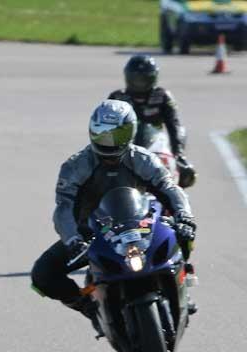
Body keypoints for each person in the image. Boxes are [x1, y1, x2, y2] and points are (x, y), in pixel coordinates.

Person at [31, 100, 196, 323]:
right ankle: (89, 307)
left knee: (182, 232)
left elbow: (170, 188)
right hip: (92, 235)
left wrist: (184, 215)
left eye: (116, 134)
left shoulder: (143, 159)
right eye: (102, 133)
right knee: (43, 274)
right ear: (91, 131)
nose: (108, 142)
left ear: (131, 132)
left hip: (141, 225)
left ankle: (182, 283)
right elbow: (63, 208)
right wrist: (73, 240)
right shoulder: (75, 166)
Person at [108, 54, 197, 187]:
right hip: (123, 148)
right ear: (128, 78)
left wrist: (178, 154)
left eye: (144, 79)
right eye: (137, 79)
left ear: (153, 78)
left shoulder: (162, 96)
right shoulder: (117, 97)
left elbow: (174, 125)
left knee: (184, 171)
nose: (140, 84)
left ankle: (174, 199)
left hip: (156, 145)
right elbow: (106, 127)